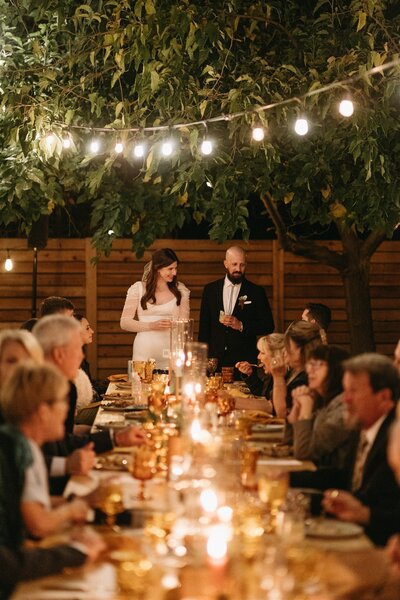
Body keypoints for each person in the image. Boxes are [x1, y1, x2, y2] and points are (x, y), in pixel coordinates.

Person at [33, 315, 147, 493]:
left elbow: (64, 441)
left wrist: (116, 438)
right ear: (59, 354)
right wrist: (65, 465)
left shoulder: (65, 387)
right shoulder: (30, 394)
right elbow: (19, 463)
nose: (81, 355)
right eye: (79, 348)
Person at [0, 362, 89, 539]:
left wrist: (78, 502)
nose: (66, 410)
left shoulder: (22, 442)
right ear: (43, 411)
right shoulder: (18, 449)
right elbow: (39, 525)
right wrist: (70, 510)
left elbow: (25, 504)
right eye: (62, 401)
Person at [320, 353, 400, 546]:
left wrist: (365, 514)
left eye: (353, 391)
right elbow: (344, 478)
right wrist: (287, 478)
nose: (345, 400)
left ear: (383, 397)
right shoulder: (363, 426)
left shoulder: (393, 436)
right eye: (345, 390)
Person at [198, 246, 274, 375]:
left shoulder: (256, 292)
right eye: (234, 264)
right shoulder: (210, 290)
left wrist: (241, 326)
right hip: (215, 362)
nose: (238, 269)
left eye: (242, 265)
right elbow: (204, 328)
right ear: (225, 264)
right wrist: (202, 360)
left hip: (244, 362)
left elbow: (268, 326)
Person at [288, 345, 357, 470]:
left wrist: (306, 410)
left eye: (318, 364)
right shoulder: (325, 401)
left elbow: (303, 452)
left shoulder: (343, 408)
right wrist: (296, 409)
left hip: (332, 483)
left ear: (336, 370)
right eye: (309, 364)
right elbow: (290, 442)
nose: (310, 370)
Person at [120, 248, 190, 370]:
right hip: (143, 354)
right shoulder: (138, 289)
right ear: (158, 268)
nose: (174, 273)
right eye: (170, 269)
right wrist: (151, 325)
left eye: (176, 268)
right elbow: (124, 323)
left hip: (172, 355)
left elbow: (184, 326)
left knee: (173, 388)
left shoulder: (181, 291)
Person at [271, 320, 324, 418]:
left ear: (300, 350)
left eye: (288, 347)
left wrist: (277, 377)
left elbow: (282, 414)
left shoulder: (307, 378)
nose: (284, 351)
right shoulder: (295, 371)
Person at [236, 333, 285, 399]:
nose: (258, 357)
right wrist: (250, 373)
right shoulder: (272, 375)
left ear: (277, 355)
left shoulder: (286, 379)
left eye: (262, 353)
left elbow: (273, 407)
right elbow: (261, 393)